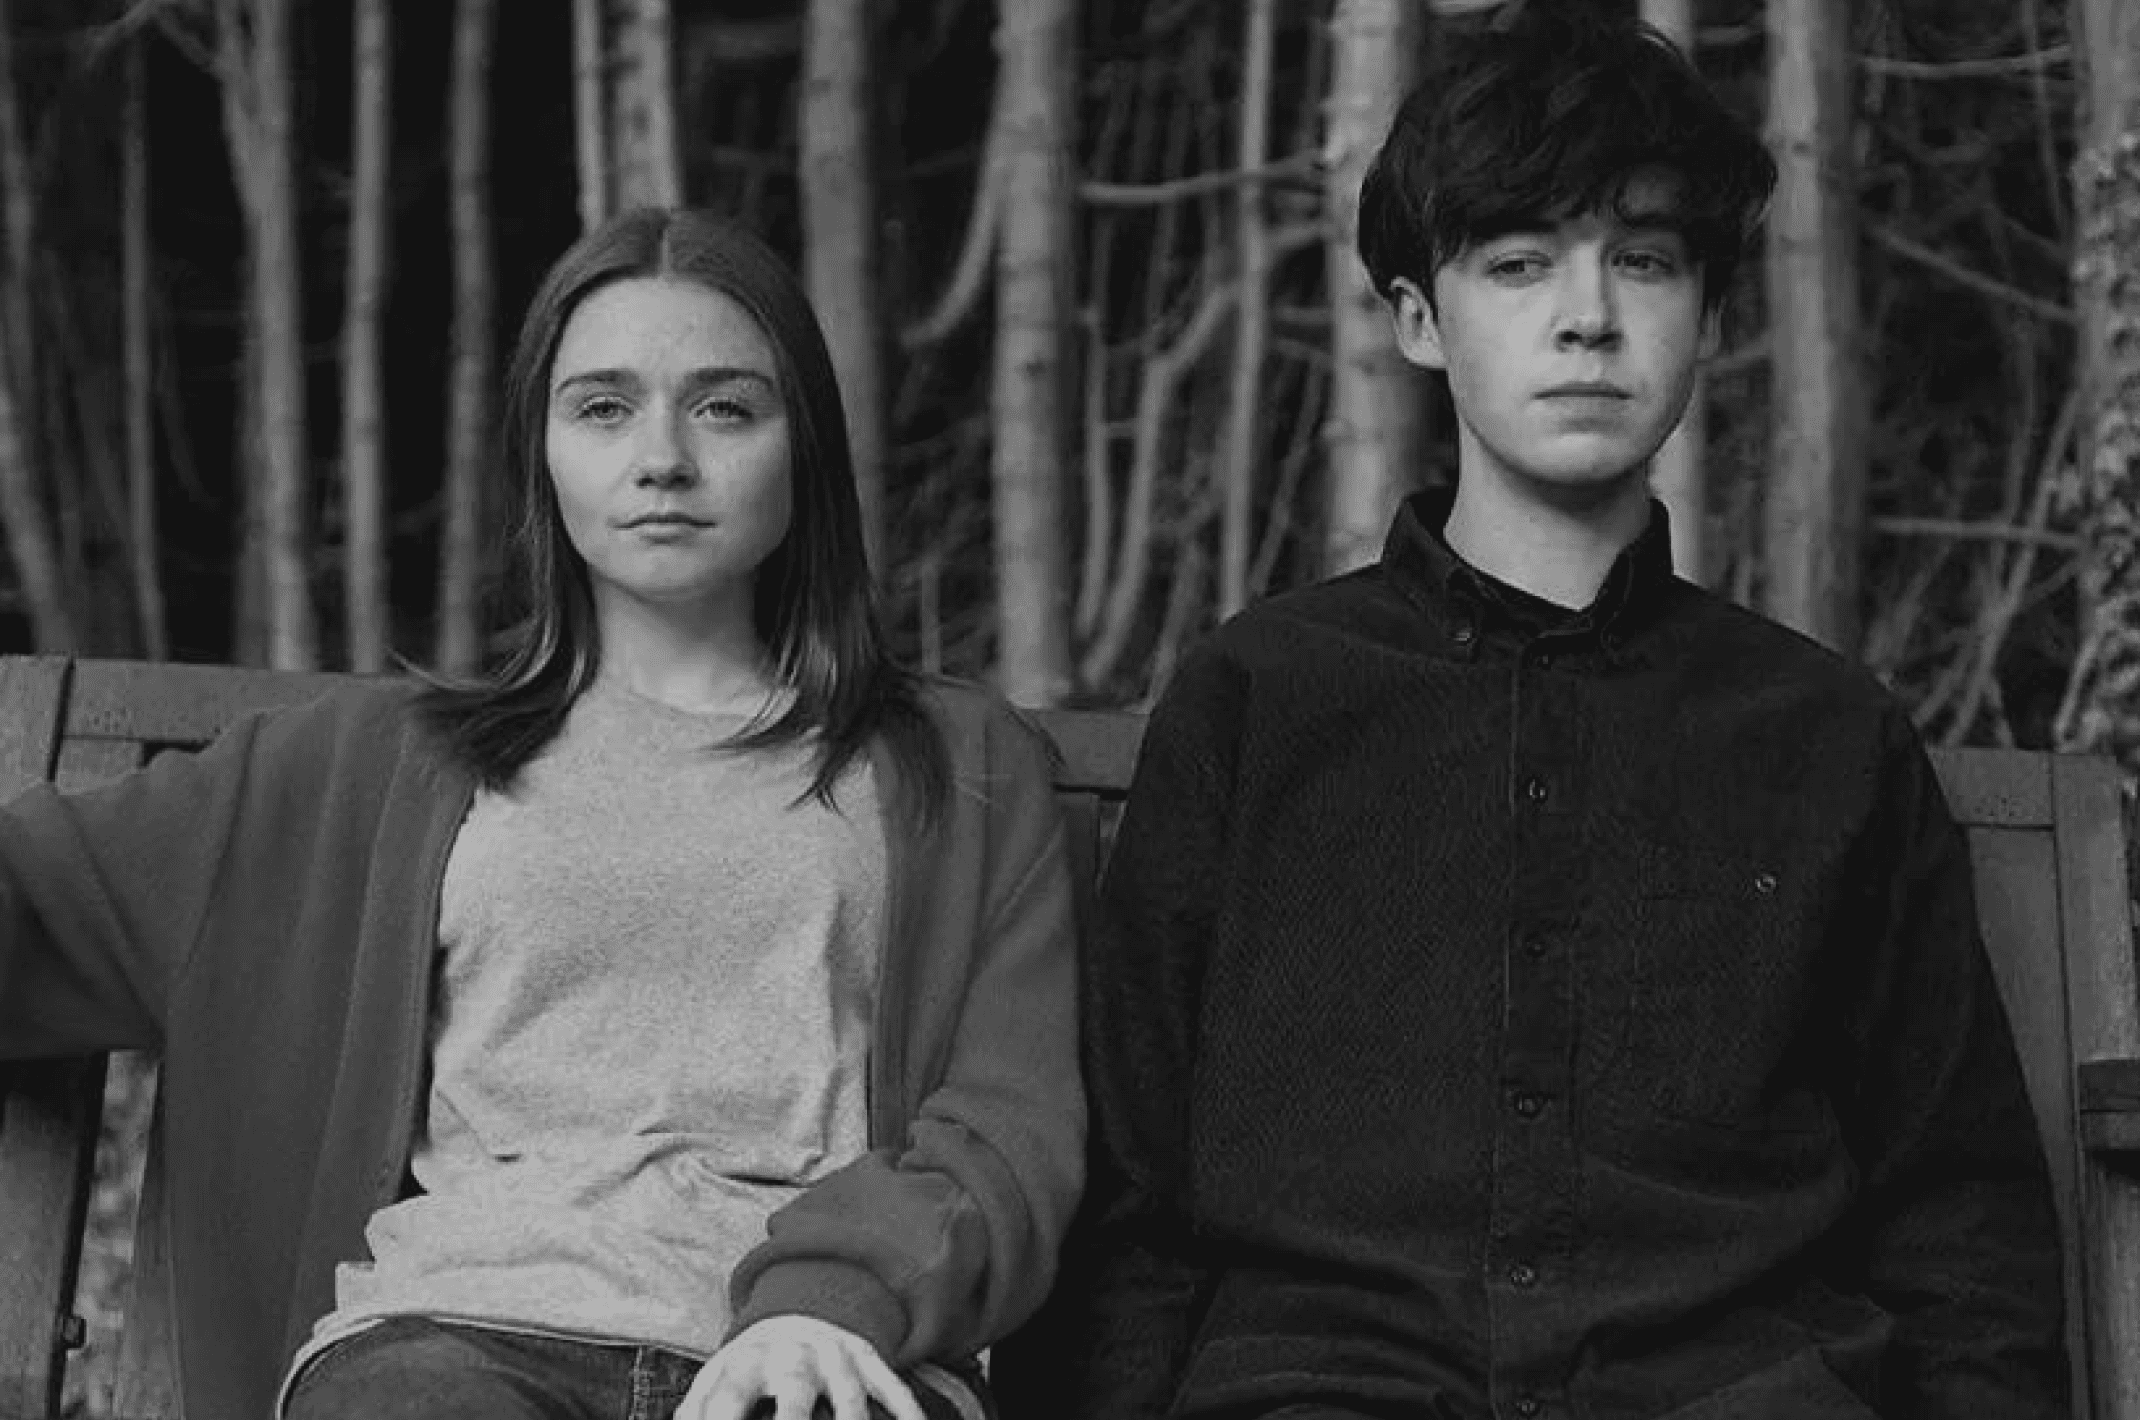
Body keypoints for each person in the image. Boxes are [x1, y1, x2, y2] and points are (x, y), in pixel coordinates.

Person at [996, 7, 2066, 1419]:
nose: (1588, 315)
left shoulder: (1825, 739)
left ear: (1710, 315)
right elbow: (1126, 1203)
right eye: (1518, 262)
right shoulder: (1257, 704)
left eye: (1645, 260)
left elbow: (1961, 1228)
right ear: (1417, 319)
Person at [0, 207, 1083, 1420]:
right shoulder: (365, 769)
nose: (662, 457)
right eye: (603, 407)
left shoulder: (958, 770)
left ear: (805, 449)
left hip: (810, 1352)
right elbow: (35, 909)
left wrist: (831, 1299)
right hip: (456, 1342)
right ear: (543, 452)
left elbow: (1006, 1124)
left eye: (725, 408)